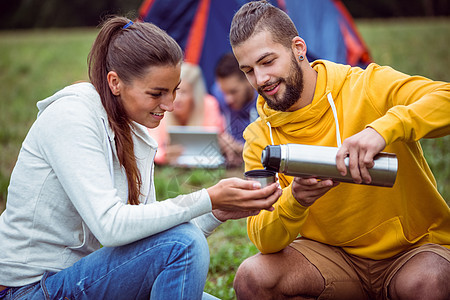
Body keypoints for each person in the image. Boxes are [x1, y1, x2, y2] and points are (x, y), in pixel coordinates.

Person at [0, 16, 282, 300]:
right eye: (156, 93)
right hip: (26, 290)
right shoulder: (72, 117)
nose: (170, 105)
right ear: (115, 83)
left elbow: (152, 241)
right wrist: (207, 197)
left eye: (174, 90)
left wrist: (216, 211)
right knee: (182, 243)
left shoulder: (135, 132)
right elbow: (112, 227)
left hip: (77, 281)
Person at [229, 1, 450, 300]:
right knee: (253, 277)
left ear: (298, 48)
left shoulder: (365, 85)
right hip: (332, 260)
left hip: (413, 252)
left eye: (267, 61)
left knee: (429, 281)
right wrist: (295, 200)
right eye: (248, 70)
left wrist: (382, 130)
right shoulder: (259, 138)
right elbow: (262, 238)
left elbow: (445, 98)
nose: (260, 79)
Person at [148, 62, 224, 165]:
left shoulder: (209, 104)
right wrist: (164, 156)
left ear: (195, 94)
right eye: (174, 91)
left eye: (183, 92)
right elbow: (151, 145)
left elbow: (215, 140)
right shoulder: (163, 106)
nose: (177, 99)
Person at [211, 53, 259, 167]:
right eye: (224, 92)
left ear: (249, 80)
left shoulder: (265, 101)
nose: (228, 99)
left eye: (233, 92)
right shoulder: (218, 95)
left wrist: (245, 150)